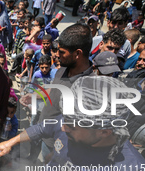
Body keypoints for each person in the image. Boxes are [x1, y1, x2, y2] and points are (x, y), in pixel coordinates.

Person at [0, 76, 145, 171]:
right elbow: (42, 128)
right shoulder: (70, 121)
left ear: (104, 131)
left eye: (71, 127)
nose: (63, 127)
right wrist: (11, 142)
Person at [21, 24, 95, 162]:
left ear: (77, 53)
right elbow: (54, 89)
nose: (56, 55)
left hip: (59, 147)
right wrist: (34, 95)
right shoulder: (63, 69)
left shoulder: (88, 87)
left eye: (61, 52)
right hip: (45, 137)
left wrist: (57, 153)